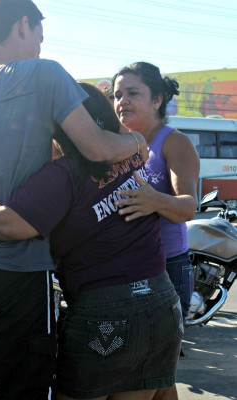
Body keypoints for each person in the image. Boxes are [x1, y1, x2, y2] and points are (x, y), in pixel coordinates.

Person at [0, 1, 147, 399]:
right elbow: (94, 146)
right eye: (40, 37)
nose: (40, 47)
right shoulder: (44, 73)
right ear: (24, 25)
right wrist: (135, 142)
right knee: (24, 388)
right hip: (20, 271)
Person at [0, 82, 183, 400]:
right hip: (161, 301)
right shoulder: (127, 155)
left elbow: (6, 223)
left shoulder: (65, 173)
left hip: (105, 309)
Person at [111, 61, 200, 400]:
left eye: (133, 93)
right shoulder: (115, 142)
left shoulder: (173, 143)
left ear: (157, 100)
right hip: (123, 269)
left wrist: (152, 199)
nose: (123, 102)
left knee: (150, 369)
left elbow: (188, 206)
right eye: (117, 95)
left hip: (166, 270)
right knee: (155, 375)